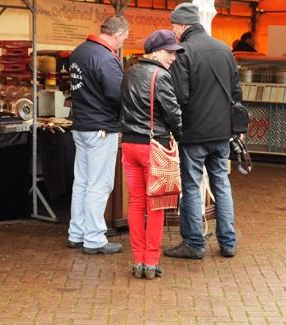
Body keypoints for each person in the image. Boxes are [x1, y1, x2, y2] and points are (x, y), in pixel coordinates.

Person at [165, 2, 243, 259]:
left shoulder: (183, 52)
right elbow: (236, 93)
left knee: (191, 186)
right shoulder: (224, 49)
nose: (173, 30)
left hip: (194, 133)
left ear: (184, 24)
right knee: (221, 184)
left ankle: (194, 243)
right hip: (222, 133)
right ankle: (228, 243)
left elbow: (179, 97)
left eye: (174, 25)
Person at [120, 29, 183, 279]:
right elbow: (174, 113)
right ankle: (151, 261)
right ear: (156, 51)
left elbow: (121, 107)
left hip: (129, 145)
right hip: (153, 146)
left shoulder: (130, 71)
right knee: (156, 205)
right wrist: (180, 136)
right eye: (170, 52)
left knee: (136, 203)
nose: (173, 58)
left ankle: (137, 261)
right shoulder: (162, 76)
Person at [66, 16, 130, 255]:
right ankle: (94, 238)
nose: (123, 42)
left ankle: (77, 233)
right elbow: (118, 94)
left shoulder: (79, 52)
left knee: (82, 181)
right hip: (102, 128)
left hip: (81, 125)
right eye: (124, 38)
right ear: (117, 34)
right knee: (99, 184)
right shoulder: (105, 57)